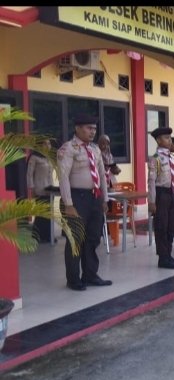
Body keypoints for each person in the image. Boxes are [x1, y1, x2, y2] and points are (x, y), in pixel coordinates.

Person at [57, 114, 112, 291]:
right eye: (89, 128)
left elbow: (102, 175)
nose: (92, 132)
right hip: (76, 198)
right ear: (77, 129)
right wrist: (68, 204)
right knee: (76, 239)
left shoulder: (95, 149)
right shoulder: (68, 148)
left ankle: (90, 275)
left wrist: (105, 199)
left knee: (93, 237)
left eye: (94, 129)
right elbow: (63, 177)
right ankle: (73, 279)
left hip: (94, 197)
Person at [148, 127, 174, 269]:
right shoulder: (155, 159)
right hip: (161, 194)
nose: (169, 140)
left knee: (171, 226)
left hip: (172, 193)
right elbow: (151, 181)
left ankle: (168, 254)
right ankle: (163, 258)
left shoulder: (171, 157)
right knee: (161, 226)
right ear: (158, 140)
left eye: (170, 137)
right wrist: (151, 201)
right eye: (166, 138)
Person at [26, 138, 55, 243]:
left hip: (50, 189)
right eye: (45, 143)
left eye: (49, 144)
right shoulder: (34, 157)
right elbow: (29, 174)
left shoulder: (48, 157)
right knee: (41, 214)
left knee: (49, 213)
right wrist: (31, 188)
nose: (47, 146)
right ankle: (38, 235)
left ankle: (48, 235)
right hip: (39, 188)